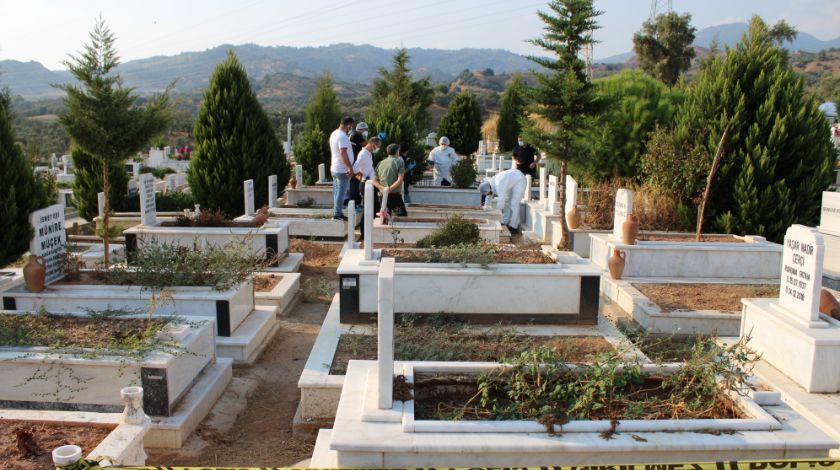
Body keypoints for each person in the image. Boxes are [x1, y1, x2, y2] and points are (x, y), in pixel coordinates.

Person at [478, 168, 527, 235]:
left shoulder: (498, 184)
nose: (488, 194)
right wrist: (486, 208)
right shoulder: (491, 185)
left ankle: (513, 227)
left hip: (520, 180)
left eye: (488, 192)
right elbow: (488, 197)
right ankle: (505, 222)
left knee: (514, 204)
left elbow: (501, 199)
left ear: (488, 189)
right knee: (507, 203)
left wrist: (498, 213)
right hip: (512, 182)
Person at [329, 115, 355, 220]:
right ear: (348, 125)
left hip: (334, 167)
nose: (351, 128)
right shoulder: (342, 136)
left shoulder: (334, 133)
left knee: (336, 191)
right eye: (351, 126)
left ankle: (337, 211)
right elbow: (343, 153)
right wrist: (350, 167)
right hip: (341, 169)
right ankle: (337, 214)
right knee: (341, 192)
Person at [374, 143, 408, 220]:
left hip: (382, 196)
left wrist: (383, 189)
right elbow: (400, 179)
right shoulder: (399, 162)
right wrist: (389, 189)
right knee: (401, 217)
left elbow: (374, 181)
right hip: (394, 197)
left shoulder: (380, 163)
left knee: (385, 219)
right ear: (397, 151)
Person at [350, 135, 380, 207]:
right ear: (373, 144)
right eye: (378, 146)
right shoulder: (363, 154)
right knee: (371, 208)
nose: (378, 148)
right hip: (366, 183)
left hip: (370, 182)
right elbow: (354, 168)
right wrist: (360, 174)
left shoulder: (368, 153)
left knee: (374, 208)